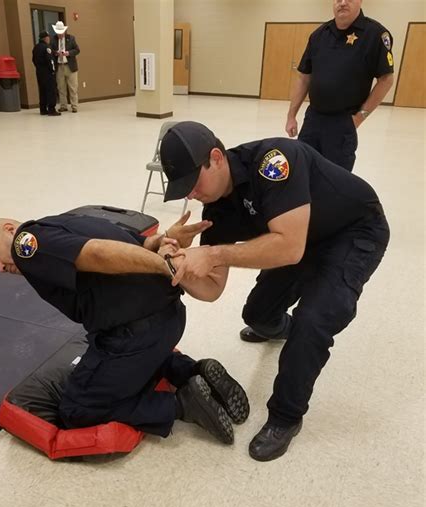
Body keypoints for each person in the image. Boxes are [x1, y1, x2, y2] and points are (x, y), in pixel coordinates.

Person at [160, 121, 390, 462]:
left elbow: (290, 249)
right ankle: (283, 331)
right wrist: (175, 263)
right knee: (256, 314)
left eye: (193, 183)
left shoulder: (273, 161)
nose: (191, 194)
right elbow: (212, 289)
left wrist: (213, 253)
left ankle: (286, 417)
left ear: (216, 157)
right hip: (299, 238)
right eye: (184, 190)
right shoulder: (218, 210)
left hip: (353, 232)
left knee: (312, 322)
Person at [0, 211, 249, 445]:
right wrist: (161, 239)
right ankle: (191, 371)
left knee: (77, 409)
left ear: (10, 230)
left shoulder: (25, 245)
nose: (1, 266)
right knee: (124, 354)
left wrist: (166, 265)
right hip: (170, 318)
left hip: (134, 333)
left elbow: (97, 253)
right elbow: (133, 239)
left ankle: (183, 404)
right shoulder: (66, 220)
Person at [285, 0, 394, 171]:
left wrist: (359, 117)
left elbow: (386, 79)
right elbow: (304, 77)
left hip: (343, 122)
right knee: (303, 171)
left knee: (336, 180)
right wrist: (291, 116)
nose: (342, 3)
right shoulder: (319, 35)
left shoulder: (375, 34)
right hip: (313, 119)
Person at [50, 21, 80, 113]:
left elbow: (77, 50)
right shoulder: (53, 39)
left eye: (61, 32)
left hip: (70, 66)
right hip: (59, 66)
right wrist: (56, 53)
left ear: (64, 31)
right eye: (58, 33)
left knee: (73, 87)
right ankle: (63, 106)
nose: (60, 34)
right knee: (61, 87)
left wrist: (68, 53)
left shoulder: (71, 38)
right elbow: (51, 50)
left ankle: (74, 106)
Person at [32, 31, 60, 117]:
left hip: (39, 72)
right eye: (48, 37)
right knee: (51, 90)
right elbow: (50, 60)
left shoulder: (36, 47)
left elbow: (33, 60)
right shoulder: (47, 48)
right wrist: (53, 70)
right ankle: (51, 109)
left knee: (42, 90)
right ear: (46, 38)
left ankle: (43, 109)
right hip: (48, 73)